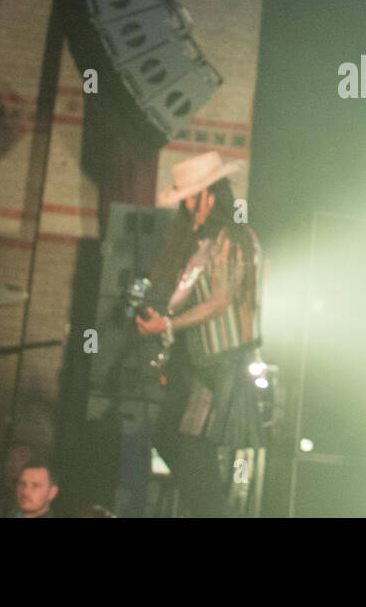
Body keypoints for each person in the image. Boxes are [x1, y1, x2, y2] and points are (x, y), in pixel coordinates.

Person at [136, 151, 265, 517]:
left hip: (219, 365)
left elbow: (221, 302)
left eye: (193, 197)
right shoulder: (201, 244)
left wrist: (168, 325)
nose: (189, 206)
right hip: (193, 363)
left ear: (212, 194)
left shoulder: (235, 238)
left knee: (193, 449)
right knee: (168, 439)